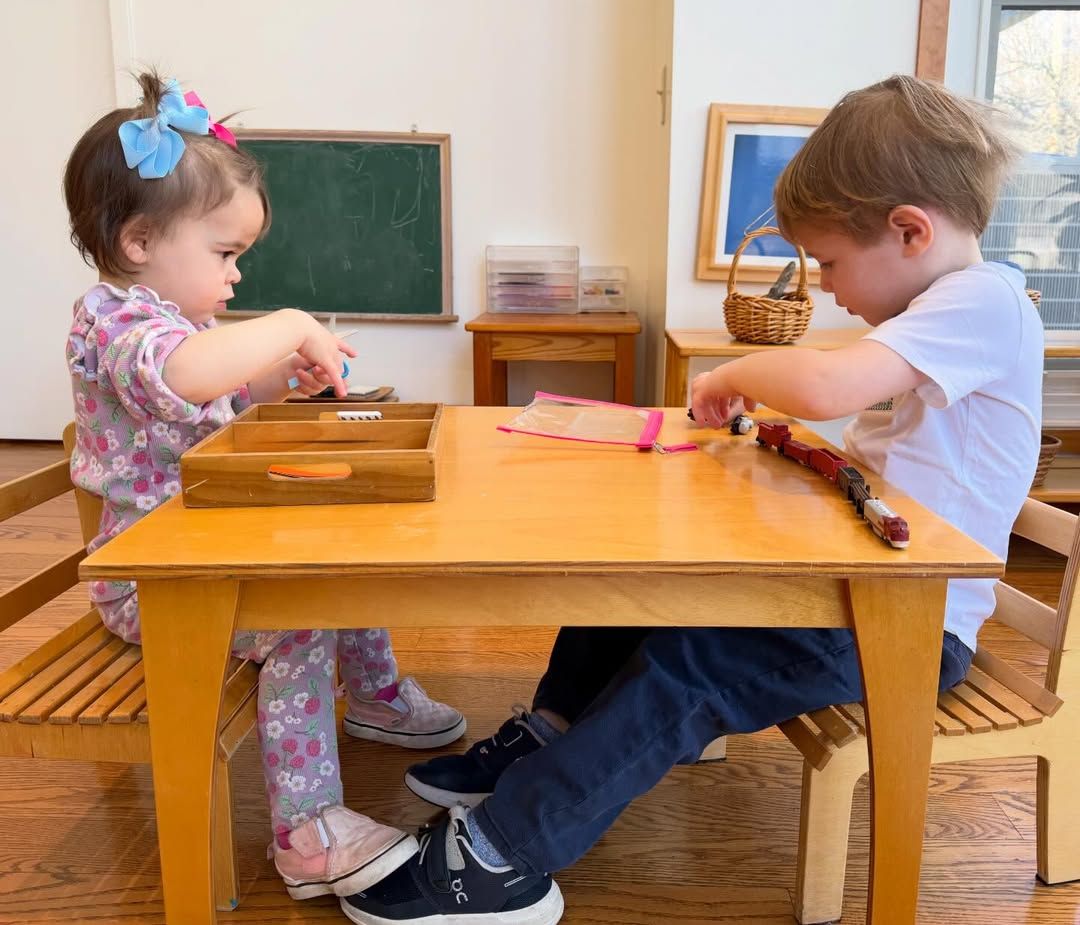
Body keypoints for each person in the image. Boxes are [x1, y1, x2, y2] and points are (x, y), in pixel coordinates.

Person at [344, 75, 1043, 925]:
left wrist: (732, 373)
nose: (824, 286)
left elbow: (825, 383)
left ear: (909, 231)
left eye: (828, 261)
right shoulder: (941, 310)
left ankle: (507, 853)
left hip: (908, 626)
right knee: (633, 593)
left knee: (689, 667)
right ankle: (553, 737)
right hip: (862, 589)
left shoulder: (984, 300)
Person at [63, 72, 466, 901]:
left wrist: (285, 376)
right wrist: (290, 322)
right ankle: (307, 831)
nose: (237, 275)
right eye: (225, 254)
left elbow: (222, 387)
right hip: (152, 577)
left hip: (206, 539)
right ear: (140, 242)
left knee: (335, 562)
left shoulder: (181, 324)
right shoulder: (118, 321)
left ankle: (378, 698)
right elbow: (180, 376)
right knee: (295, 618)